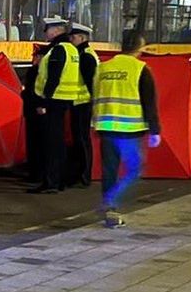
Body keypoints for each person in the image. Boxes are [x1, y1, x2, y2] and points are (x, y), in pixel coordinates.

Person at [93, 31, 161, 228]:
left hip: (106, 126)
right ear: (140, 48)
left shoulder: (103, 68)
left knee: (109, 170)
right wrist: (155, 130)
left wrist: (94, 122)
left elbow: (95, 96)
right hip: (129, 129)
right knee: (134, 169)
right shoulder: (141, 69)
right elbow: (149, 103)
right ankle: (111, 201)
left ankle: (110, 210)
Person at [29, 17, 81, 194]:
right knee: (58, 143)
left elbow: (53, 78)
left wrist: (43, 102)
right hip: (64, 100)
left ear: (57, 30)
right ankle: (59, 180)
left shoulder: (58, 50)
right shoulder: (71, 49)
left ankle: (51, 182)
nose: (46, 33)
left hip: (53, 101)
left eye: (48, 30)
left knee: (51, 144)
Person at [68, 23, 99, 187]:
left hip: (83, 102)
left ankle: (84, 175)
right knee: (80, 139)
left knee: (82, 139)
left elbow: (90, 82)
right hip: (79, 101)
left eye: (73, 37)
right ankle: (80, 174)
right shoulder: (82, 53)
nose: (71, 40)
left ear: (82, 38)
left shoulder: (86, 56)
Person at [22, 43, 49, 183]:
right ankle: (34, 173)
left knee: (38, 144)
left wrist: (41, 105)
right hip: (31, 111)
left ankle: (38, 174)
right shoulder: (34, 71)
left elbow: (35, 91)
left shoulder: (40, 72)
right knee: (33, 144)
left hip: (38, 111)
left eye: (37, 56)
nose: (35, 59)